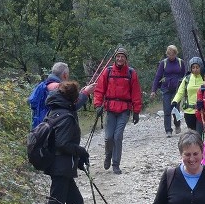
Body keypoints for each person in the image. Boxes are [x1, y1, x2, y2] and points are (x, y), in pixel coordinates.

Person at [41, 81, 105, 204]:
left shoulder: (56, 110)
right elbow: (63, 144)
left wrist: (76, 158)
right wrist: (81, 151)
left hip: (61, 167)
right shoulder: (67, 116)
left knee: (76, 203)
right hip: (61, 169)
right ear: (73, 97)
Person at [93, 45, 142, 174]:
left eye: (122, 57)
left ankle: (116, 164)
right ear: (115, 58)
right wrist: (98, 105)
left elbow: (136, 93)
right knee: (109, 137)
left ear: (126, 59)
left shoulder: (131, 73)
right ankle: (108, 155)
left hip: (124, 110)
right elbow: (99, 90)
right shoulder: (107, 72)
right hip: (110, 109)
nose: (120, 59)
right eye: (118, 56)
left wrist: (136, 111)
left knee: (117, 136)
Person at [29, 62, 95, 128]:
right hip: (58, 127)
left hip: (41, 127)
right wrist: (86, 93)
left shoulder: (42, 86)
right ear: (65, 75)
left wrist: (80, 93)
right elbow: (72, 106)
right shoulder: (60, 88)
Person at [151, 45, 186, 137]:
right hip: (166, 88)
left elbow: (185, 75)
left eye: (172, 54)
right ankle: (168, 130)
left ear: (175, 53)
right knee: (167, 110)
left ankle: (177, 124)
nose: (171, 56)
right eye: (169, 54)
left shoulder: (180, 62)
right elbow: (158, 76)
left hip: (177, 89)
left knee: (175, 108)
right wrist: (153, 90)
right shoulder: (164, 63)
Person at [172, 57, 205, 132]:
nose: (195, 69)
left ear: (201, 67)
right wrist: (175, 101)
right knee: (192, 133)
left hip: (202, 110)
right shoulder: (187, 79)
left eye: (197, 67)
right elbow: (180, 92)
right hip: (189, 111)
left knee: (199, 132)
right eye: (193, 67)